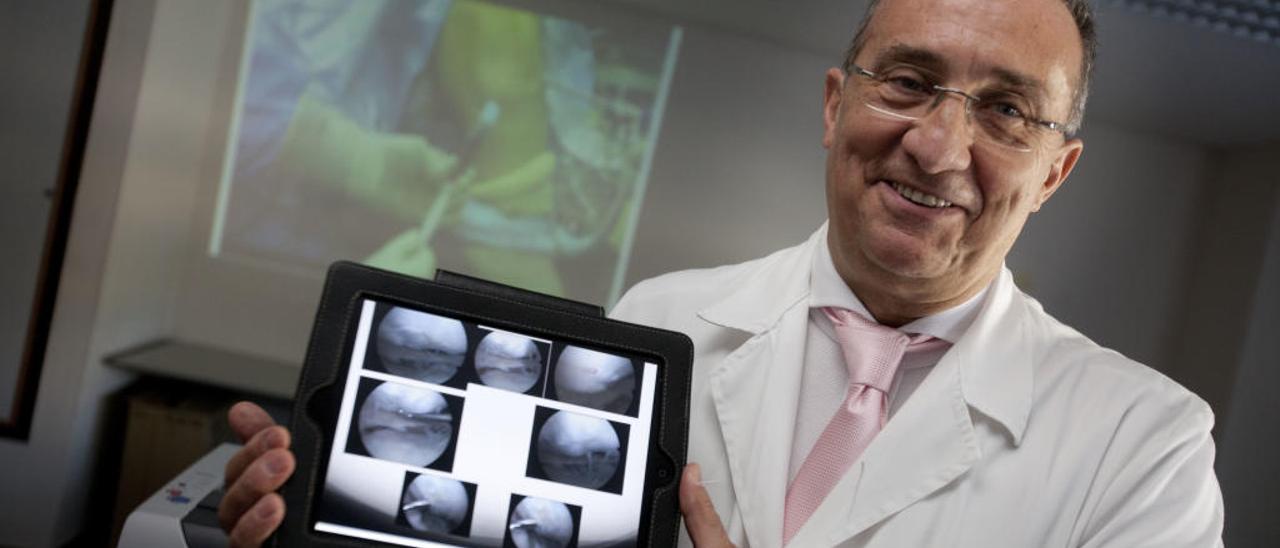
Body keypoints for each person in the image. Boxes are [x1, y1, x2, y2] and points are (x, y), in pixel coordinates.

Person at [217, 0, 1226, 545]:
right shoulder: (660, 319)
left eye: (1006, 110)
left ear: (1054, 169)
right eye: (908, 82)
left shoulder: (1144, 449)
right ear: (834, 106)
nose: (937, 144)